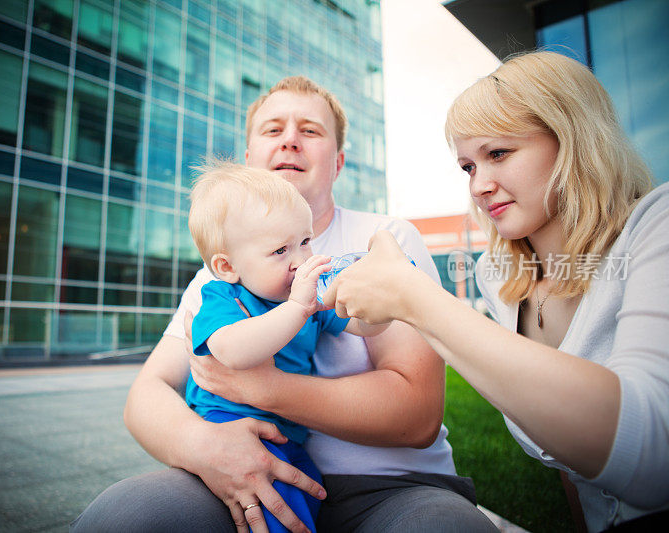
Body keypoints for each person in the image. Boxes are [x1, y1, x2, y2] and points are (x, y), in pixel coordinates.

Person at [72, 76, 497, 533]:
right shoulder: (218, 275)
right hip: (241, 472)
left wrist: (262, 388)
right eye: (272, 130)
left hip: (392, 489)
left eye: (310, 131)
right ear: (250, 158)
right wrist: (206, 447)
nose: (290, 140)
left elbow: (417, 416)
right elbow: (146, 395)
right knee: (125, 517)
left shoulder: (384, 239)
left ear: (337, 163)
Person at [322, 51, 669, 532]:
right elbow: (572, 470)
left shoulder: (658, 226)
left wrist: (415, 298)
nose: (480, 185)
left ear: (571, 139)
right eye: (467, 166)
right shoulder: (500, 280)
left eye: (498, 153)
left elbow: (652, 459)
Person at [185, 162, 388, 532]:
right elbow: (233, 352)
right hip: (232, 429)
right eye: (280, 251)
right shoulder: (222, 296)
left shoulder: (307, 299)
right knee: (279, 513)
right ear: (227, 266)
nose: (300, 260)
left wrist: (382, 306)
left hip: (289, 437)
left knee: (307, 501)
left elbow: (361, 326)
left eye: (306, 241)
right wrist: (297, 307)